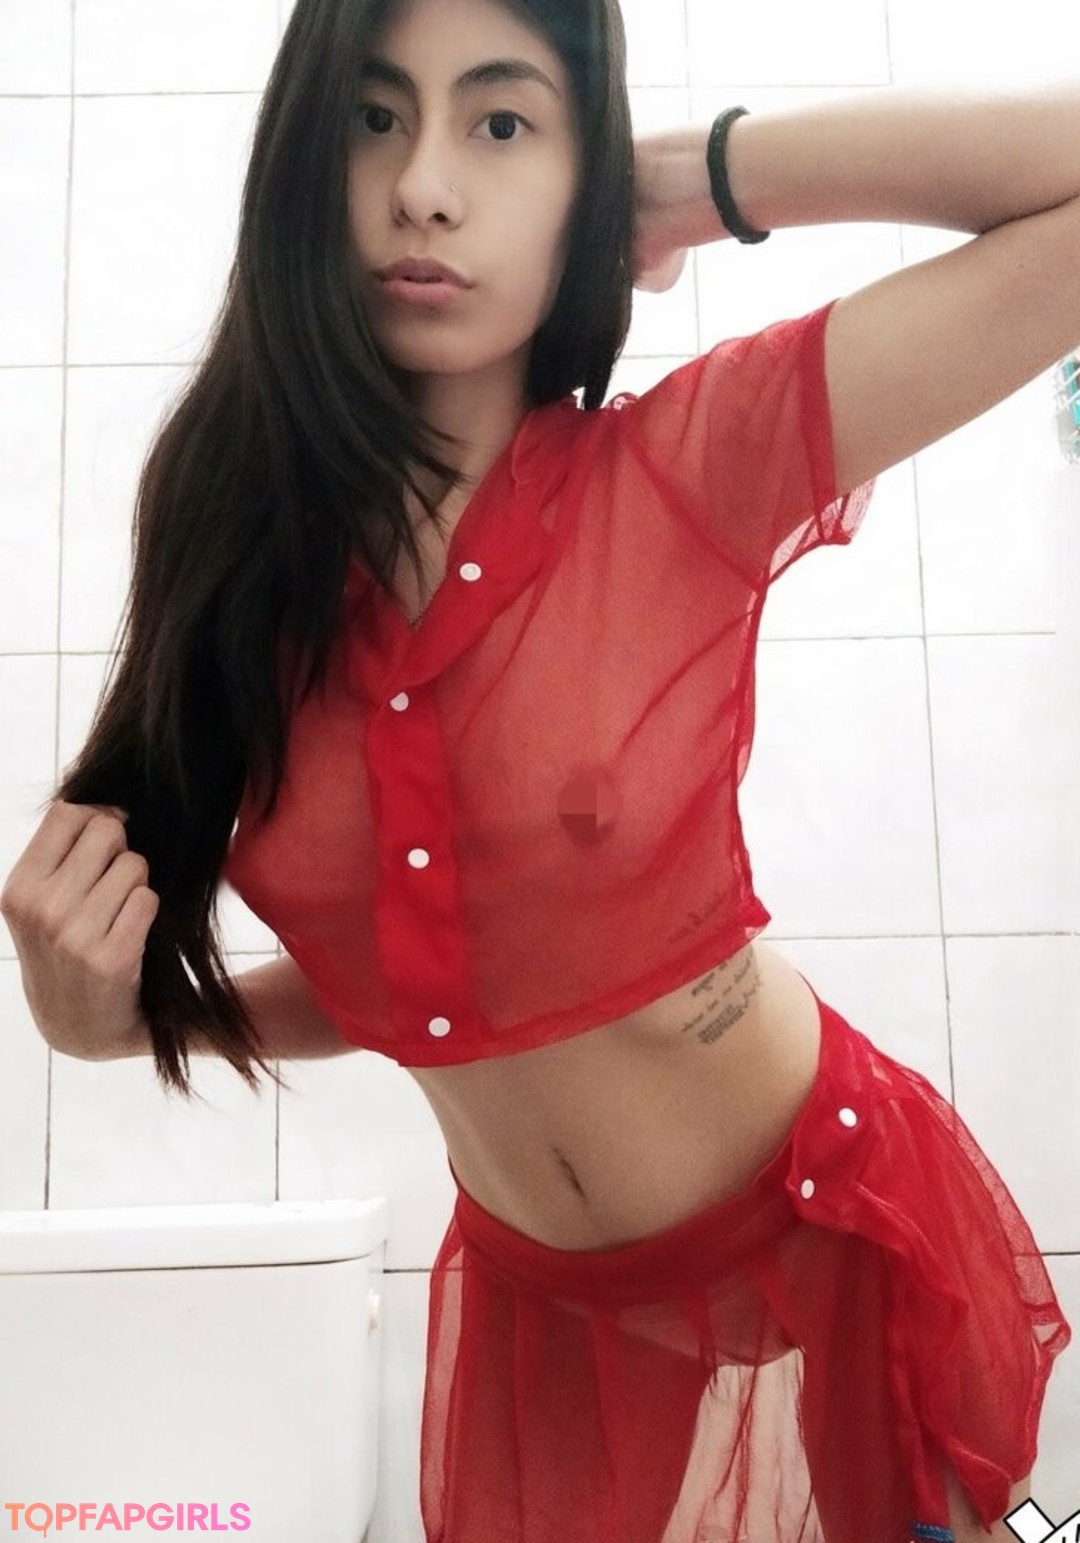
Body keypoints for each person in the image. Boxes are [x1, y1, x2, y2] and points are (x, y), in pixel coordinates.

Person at [1, 0, 1074, 1539]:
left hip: (820, 1220)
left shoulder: (691, 465)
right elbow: (410, 984)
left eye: (501, 123)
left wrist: (702, 176)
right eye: (375, 118)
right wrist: (105, 1021)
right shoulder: (235, 558)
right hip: (541, 1321)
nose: (424, 187)